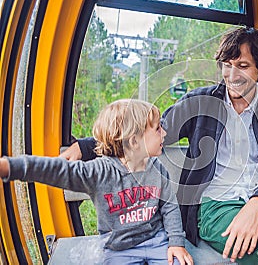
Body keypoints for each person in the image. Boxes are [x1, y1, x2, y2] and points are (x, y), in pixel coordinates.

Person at [62, 27, 258, 264]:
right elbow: (146, 133)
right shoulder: (201, 103)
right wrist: (87, 147)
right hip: (216, 204)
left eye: (242, 66)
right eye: (227, 65)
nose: (232, 74)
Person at [0, 99, 193, 265]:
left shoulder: (157, 168)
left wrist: (176, 242)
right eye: (158, 128)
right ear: (134, 142)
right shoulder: (99, 172)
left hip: (156, 240)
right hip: (118, 249)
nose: (164, 133)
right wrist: (11, 166)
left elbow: (169, 207)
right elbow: (57, 171)